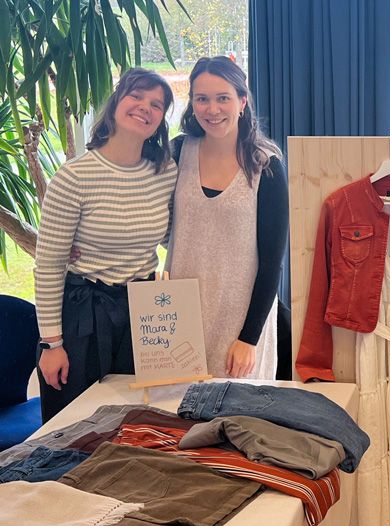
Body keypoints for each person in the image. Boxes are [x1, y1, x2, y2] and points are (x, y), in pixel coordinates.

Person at [35, 68, 177, 423]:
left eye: (156, 104)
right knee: (76, 425)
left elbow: (170, 234)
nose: (145, 107)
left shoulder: (165, 172)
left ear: (161, 120)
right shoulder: (74, 177)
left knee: (139, 421)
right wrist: (51, 344)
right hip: (85, 314)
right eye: (136, 96)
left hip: (143, 314)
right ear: (115, 103)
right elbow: (49, 265)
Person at [167, 56, 287, 380]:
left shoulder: (265, 165)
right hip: (180, 317)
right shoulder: (177, 153)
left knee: (237, 410)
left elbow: (272, 263)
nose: (212, 109)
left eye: (223, 98)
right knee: (178, 409)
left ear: (242, 101)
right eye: (202, 99)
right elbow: (151, 221)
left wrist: (249, 338)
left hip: (240, 322)